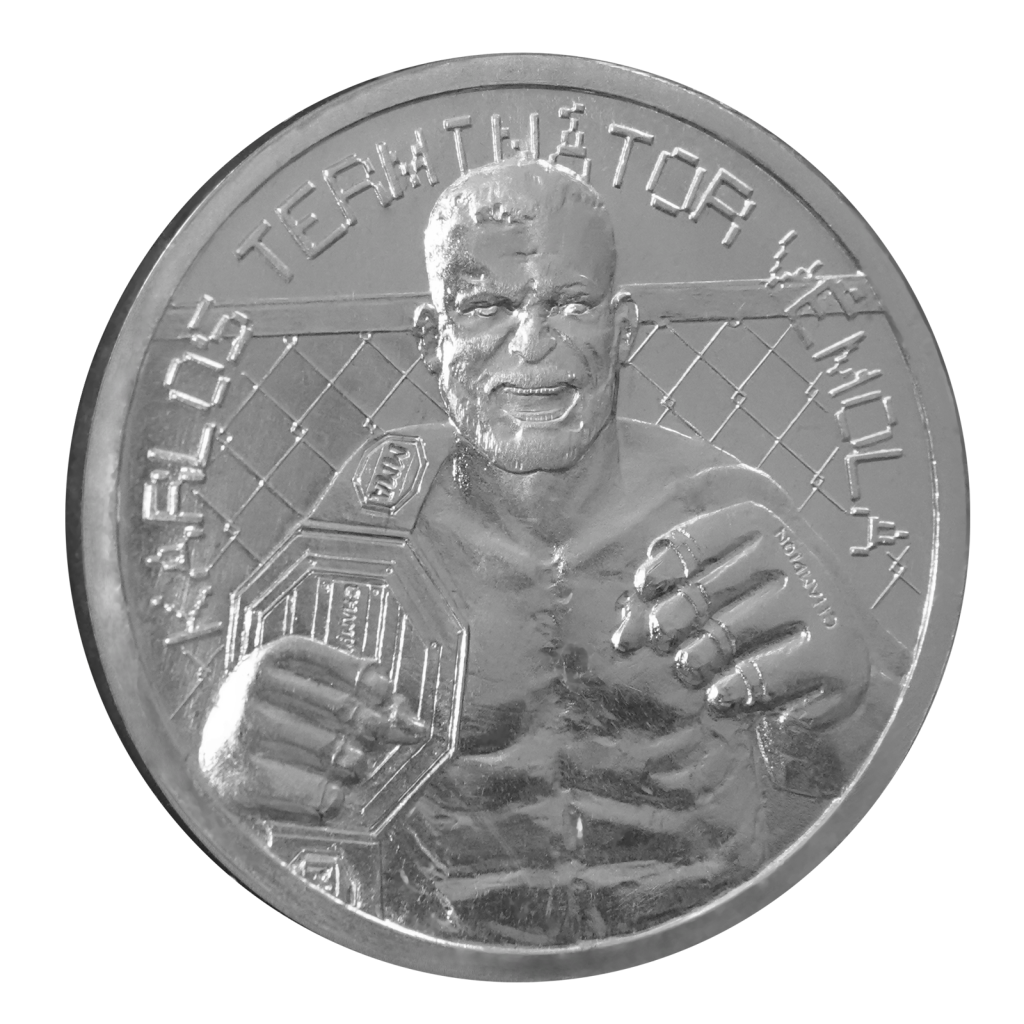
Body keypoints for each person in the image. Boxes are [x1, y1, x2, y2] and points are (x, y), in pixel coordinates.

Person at [200, 158, 907, 944]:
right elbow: (266, 755)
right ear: (433, 339)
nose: (532, 344)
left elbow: (862, 756)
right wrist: (230, 748)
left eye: (570, 304)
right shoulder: (378, 514)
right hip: (451, 953)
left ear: (622, 329)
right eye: (485, 308)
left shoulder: (724, 510)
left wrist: (854, 703)